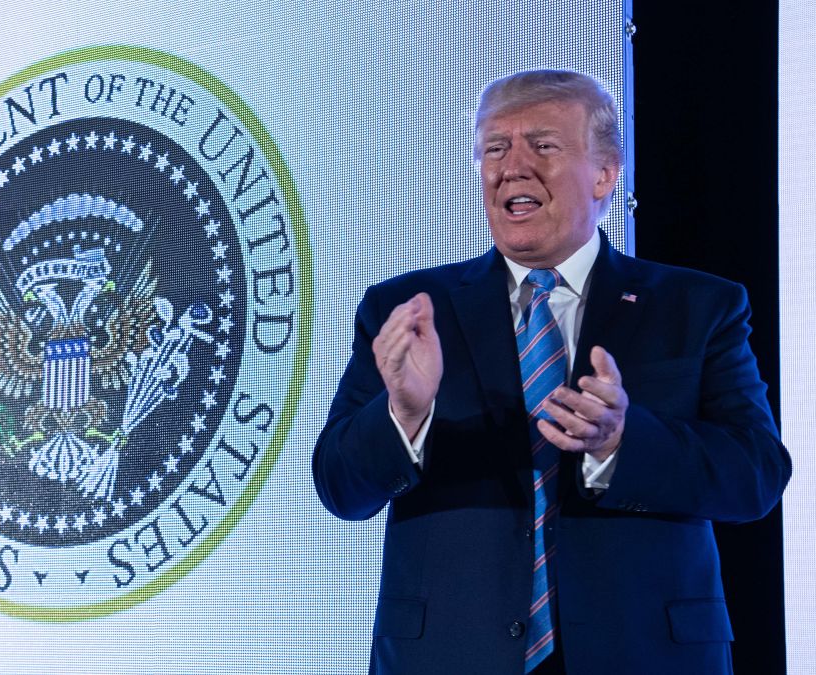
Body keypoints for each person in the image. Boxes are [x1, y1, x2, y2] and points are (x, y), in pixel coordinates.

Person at [312, 70, 791, 675]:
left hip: (645, 653)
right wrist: (403, 416)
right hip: (448, 656)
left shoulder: (698, 307)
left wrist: (622, 442)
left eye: (542, 145)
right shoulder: (408, 310)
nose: (512, 166)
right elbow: (339, 488)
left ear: (605, 173)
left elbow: (756, 475)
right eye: (495, 147)